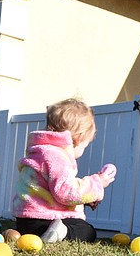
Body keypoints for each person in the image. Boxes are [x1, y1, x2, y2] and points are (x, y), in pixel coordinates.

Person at [12, 97, 116, 243]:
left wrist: (86, 200)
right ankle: (61, 233)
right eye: (85, 146)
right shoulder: (57, 155)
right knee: (87, 231)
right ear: (78, 139)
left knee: (72, 226)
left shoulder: (41, 151)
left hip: (26, 220)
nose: (83, 150)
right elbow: (66, 192)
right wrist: (97, 183)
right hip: (44, 221)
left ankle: (19, 233)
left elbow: (50, 192)